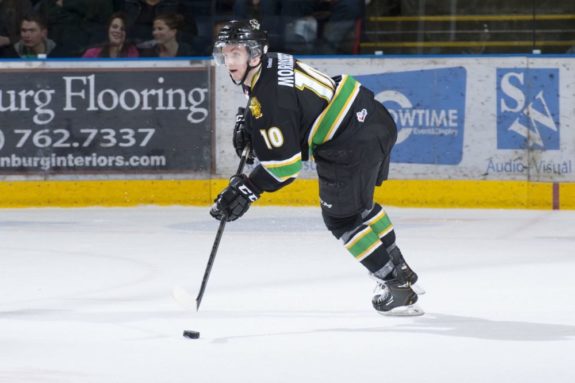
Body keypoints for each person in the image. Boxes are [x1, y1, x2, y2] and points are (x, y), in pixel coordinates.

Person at [209, 19, 425, 316]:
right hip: (372, 117)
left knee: (342, 220)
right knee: (361, 206)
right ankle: (399, 267)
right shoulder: (272, 62)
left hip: (350, 141)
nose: (228, 60)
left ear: (255, 54)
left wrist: (247, 189)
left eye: (236, 53)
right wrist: (251, 121)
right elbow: (294, 105)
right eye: (225, 53)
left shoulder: (269, 100)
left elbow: (285, 168)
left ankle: (395, 284)